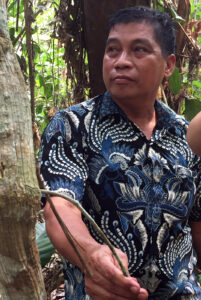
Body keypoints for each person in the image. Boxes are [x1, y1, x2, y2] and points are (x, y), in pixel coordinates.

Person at [39, 6, 201, 300]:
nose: (121, 61)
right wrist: (91, 254)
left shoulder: (186, 136)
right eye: (112, 50)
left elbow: (198, 227)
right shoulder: (72, 126)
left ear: (169, 65)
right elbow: (59, 208)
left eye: (139, 50)